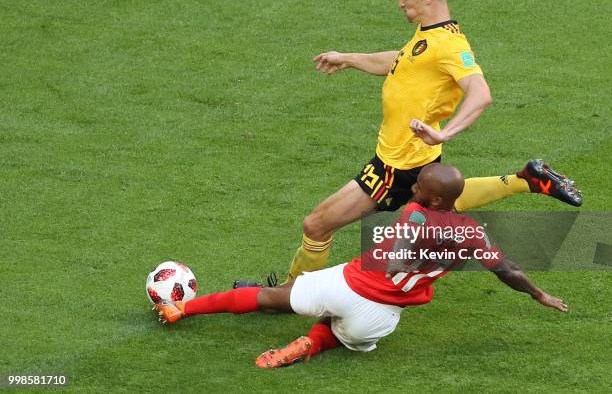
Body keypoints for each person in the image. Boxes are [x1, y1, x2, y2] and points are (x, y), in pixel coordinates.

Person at [236, 0, 582, 287]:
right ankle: (526, 179)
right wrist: (347, 58)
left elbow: (480, 93)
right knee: (439, 204)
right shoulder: (428, 35)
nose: (400, 3)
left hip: (397, 165)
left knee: (317, 224)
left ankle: (288, 293)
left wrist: (444, 132)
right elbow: (399, 61)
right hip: (403, 160)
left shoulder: (449, 45)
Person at [155, 163, 568, 369]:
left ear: (435, 199)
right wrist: (539, 294)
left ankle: (181, 308)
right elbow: (507, 269)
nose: (414, 187)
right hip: (379, 314)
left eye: (420, 185)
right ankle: (309, 345)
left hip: (346, 283)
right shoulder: (471, 235)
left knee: (267, 297)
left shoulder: (413, 214)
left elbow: (406, 239)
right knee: (347, 336)